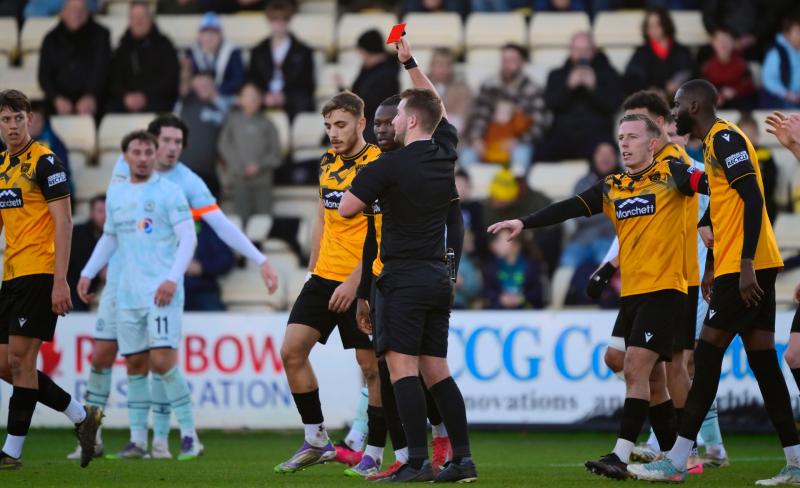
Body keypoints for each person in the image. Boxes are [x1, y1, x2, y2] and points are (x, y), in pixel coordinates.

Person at [489, 113, 709, 480]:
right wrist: (524, 222)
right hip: (632, 294)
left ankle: (620, 456)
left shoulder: (672, 173)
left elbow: (715, 186)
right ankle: (675, 462)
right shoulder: (613, 185)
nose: (624, 143)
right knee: (653, 381)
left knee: (634, 367)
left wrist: (717, 228)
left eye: (632, 136)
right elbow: (569, 206)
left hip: (666, 290)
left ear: (653, 143)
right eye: (621, 136)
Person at [68, 114, 279, 461]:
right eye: (165, 140)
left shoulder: (186, 183)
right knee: (103, 356)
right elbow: (114, 227)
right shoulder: (124, 167)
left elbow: (220, 225)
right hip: (121, 281)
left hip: (157, 282)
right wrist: (90, 271)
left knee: (160, 361)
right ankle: (95, 439)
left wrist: (260, 259)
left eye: (178, 142)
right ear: (150, 143)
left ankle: (162, 440)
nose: (171, 148)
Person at [628, 79, 800, 486]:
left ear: (695, 105)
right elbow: (725, 203)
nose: (673, 112)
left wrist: (744, 264)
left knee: (705, 358)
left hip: (745, 267)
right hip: (745, 264)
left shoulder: (725, 138)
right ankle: (796, 462)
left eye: (677, 105)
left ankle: (677, 459)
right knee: (764, 366)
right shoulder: (711, 145)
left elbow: (753, 197)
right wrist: (712, 264)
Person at [339, 36, 476, 483]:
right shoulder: (445, 153)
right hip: (437, 276)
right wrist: (410, 62)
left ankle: (417, 461)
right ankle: (463, 460)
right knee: (437, 370)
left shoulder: (388, 166)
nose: (391, 121)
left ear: (411, 121)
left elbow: (347, 209)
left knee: (402, 370)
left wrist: (366, 181)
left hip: (402, 277)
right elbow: (436, 105)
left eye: (397, 114)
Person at [272, 92, 379, 475]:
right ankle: (316, 438)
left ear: (361, 123)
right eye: (329, 126)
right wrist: (312, 270)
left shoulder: (379, 165)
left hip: (363, 280)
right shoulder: (327, 162)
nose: (333, 133)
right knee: (291, 351)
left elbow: (383, 234)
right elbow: (322, 218)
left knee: (372, 368)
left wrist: (356, 283)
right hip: (323, 277)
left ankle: (373, 453)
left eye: (341, 125)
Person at [77, 131, 201, 461]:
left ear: (155, 155)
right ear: (126, 157)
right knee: (134, 363)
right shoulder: (116, 194)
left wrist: (172, 279)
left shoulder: (170, 192)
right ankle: (137, 442)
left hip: (161, 293)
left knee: (162, 362)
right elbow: (109, 238)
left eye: (149, 152)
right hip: (128, 294)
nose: (144, 158)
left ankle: (190, 436)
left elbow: (188, 239)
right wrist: (88, 272)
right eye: (137, 152)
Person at [0, 89, 102, 470]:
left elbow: (65, 221)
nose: (12, 126)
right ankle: (82, 416)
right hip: (12, 275)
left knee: (21, 361)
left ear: (30, 119)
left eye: (18, 118)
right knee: (5, 365)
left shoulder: (45, 162)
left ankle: (11, 452)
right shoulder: (1, 166)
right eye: (5, 119)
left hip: (41, 273)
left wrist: (61, 280)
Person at [462, 44, 548, 177]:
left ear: (522, 63)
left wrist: (518, 141)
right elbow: (478, 116)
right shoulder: (489, 86)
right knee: (466, 156)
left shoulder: (532, 89)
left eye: (512, 60)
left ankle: (517, 189)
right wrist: (476, 139)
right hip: (489, 142)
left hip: (517, 144)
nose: (507, 64)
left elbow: (539, 124)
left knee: (521, 156)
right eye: (504, 60)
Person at [538, 31, 623, 161]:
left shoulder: (609, 74)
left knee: (606, 158)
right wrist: (568, 87)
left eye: (586, 49)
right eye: (577, 49)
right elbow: (550, 104)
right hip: (563, 135)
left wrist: (594, 87)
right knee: (539, 153)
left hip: (597, 134)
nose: (581, 53)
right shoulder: (556, 74)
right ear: (570, 51)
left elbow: (614, 105)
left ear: (593, 51)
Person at [217, 82, 282, 225]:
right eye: (248, 95)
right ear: (240, 99)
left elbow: (276, 153)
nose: (252, 99)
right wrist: (238, 166)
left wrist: (259, 166)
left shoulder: (268, 124)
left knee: (263, 222)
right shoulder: (233, 122)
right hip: (239, 180)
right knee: (241, 221)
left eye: (255, 96)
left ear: (261, 99)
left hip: (263, 182)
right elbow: (224, 146)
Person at [38, 0, 110, 117]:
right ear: (62, 13)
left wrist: (90, 95)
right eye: (72, 10)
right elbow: (44, 76)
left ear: (87, 13)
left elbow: (102, 70)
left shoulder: (101, 35)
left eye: (80, 10)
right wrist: (57, 98)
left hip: (95, 98)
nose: (76, 14)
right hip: (57, 100)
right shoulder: (50, 39)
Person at [106, 1, 179, 114]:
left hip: (158, 103)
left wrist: (146, 96)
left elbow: (170, 78)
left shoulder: (164, 45)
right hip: (124, 104)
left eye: (143, 17)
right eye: (135, 17)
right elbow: (113, 80)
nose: (139, 21)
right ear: (129, 20)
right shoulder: (122, 48)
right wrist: (126, 97)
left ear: (151, 19)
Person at [248, 0, 315, 120]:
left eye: (284, 18)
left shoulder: (303, 51)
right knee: (247, 100)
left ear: (289, 20)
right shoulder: (258, 51)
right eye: (275, 19)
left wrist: (285, 96)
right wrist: (264, 95)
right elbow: (253, 79)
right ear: (269, 20)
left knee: (303, 102)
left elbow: (307, 84)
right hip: (265, 97)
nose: (279, 23)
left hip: (292, 99)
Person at [559, 142, 617, 271]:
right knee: (567, 263)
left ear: (617, 157)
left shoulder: (627, 182)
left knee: (607, 268)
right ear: (594, 157)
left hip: (610, 240)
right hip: (582, 239)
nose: (605, 157)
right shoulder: (582, 183)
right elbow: (579, 216)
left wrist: (593, 208)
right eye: (601, 153)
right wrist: (609, 208)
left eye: (610, 153)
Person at [177, 72, 228, 197]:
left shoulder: (220, 106)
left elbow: (231, 118)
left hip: (210, 171)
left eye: (206, 85)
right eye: (199, 85)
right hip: (187, 170)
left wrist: (216, 98)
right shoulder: (188, 102)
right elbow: (183, 87)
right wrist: (186, 69)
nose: (203, 88)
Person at [624, 7, 694, 97]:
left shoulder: (681, 51)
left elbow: (691, 73)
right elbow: (631, 77)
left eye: (657, 25)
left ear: (665, 25)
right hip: (651, 101)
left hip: (680, 100)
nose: (652, 29)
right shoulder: (641, 53)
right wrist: (649, 89)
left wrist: (678, 84)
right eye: (649, 26)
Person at [349, 30, 400, 145]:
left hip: (377, 124)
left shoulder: (387, 75)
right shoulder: (368, 68)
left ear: (366, 52)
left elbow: (371, 103)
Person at [183, 12, 246, 102]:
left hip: (225, 96)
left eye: (214, 32)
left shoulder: (232, 51)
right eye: (205, 32)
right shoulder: (191, 51)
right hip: (197, 98)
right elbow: (187, 79)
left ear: (220, 35)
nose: (209, 37)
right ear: (199, 35)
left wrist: (218, 90)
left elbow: (238, 79)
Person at [483, 230, 544, 310]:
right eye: (497, 240)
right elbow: (487, 291)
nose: (497, 243)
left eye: (501, 240)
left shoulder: (530, 266)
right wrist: (500, 298)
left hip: (526, 312)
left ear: (516, 245)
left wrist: (522, 299)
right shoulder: (493, 266)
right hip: (500, 312)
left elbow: (537, 292)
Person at [184, 220, 235, 311]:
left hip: (202, 291)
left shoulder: (207, 227)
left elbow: (226, 260)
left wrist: (201, 267)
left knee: (217, 316)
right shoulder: (162, 228)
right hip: (167, 292)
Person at [701, 28, 757, 111]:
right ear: (713, 43)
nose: (723, 44)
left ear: (733, 43)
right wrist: (718, 95)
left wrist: (735, 91)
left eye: (726, 41)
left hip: (738, 102)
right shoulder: (707, 66)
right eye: (719, 41)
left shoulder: (741, 64)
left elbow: (749, 85)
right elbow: (704, 87)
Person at [738, 113, 778, 222]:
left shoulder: (765, 153)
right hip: (740, 199)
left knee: (770, 206)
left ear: (757, 134)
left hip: (763, 197)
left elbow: (772, 178)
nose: (748, 137)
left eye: (751, 133)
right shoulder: (735, 155)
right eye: (744, 133)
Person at [68, 195, 105, 312]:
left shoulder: (113, 236)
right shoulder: (76, 234)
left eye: (108, 211)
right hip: (72, 292)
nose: (105, 216)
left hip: (95, 291)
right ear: (91, 213)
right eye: (100, 211)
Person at [428, 48, 472, 137]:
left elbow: (460, 121)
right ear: (431, 65)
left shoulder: (462, 88)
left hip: (455, 139)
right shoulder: (420, 86)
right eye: (439, 64)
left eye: (448, 64)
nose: (443, 69)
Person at [761, 14, 800, 109]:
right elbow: (768, 80)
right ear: (786, 34)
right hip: (781, 98)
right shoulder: (776, 52)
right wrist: (787, 94)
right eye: (797, 32)